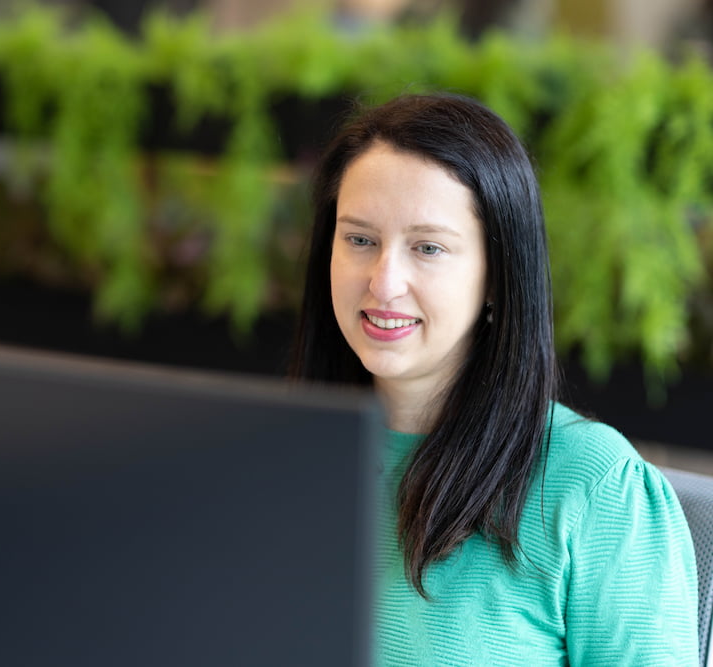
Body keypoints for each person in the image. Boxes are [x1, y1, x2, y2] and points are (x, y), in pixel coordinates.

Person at [290, 93, 698, 665]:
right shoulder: (279, 452)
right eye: (360, 239)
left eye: (428, 248)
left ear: (496, 276)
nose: (384, 282)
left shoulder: (593, 487)